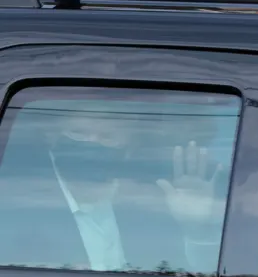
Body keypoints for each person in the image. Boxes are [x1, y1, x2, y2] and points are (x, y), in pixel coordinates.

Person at [0, 99, 226, 272]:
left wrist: (196, 229)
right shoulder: (15, 201)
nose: (91, 143)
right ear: (53, 139)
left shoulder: (154, 202)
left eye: (107, 136)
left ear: (129, 148)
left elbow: (203, 271)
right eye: (78, 133)